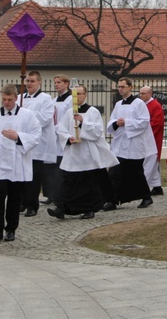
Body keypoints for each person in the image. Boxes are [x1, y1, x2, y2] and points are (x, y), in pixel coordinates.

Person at [48, 85, 119, 220]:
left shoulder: (93, 112)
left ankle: (89, 209)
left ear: (85, 95)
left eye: (79, 94)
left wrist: (82, 122)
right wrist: (68, 138)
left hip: (87, 152)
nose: (77, 97)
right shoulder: (69, 112)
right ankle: (61, 208)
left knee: (87, 183)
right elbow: (61, 129)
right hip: (73, 152)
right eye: (75, 95)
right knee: (68, 180)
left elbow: (98, 131)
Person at [0, 84, 41, 243]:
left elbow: (36, 135)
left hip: (17, 163)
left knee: (15, 198)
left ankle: (11, 229)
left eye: (10, 100)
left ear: (16, 98)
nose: (6, 103)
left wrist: (18, 137)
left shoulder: (27, 115)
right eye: (4, 99)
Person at [105, 77, 155, 210]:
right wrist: (116, 123)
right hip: (120, 143)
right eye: (119, 87)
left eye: (122, 86)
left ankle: (146, 197)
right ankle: (113, 200)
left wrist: (127, 122)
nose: (120, 89)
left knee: (136, 172)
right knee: (115, 171)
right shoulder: (118, 104)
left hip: (134, 143)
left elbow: (144, 121)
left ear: (130, 88)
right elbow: (112, 121)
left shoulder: (139, 103)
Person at [17, 71, 56, 217]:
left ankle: (32, 205)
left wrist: (26, 117)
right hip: (22, 141)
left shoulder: (45, 98)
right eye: (27, 81)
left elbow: (45, 118)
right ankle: (21, 202)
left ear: (39, 82)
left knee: (34, 176)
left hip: (38, 143)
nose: (29, 83)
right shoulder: (20, 98)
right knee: (21, 174)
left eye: (32, 81)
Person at [47, 74, 72, 205]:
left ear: (66, 84)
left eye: (59, 82)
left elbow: (68, 117)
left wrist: (59, 129)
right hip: (54, 136)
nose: (56, 84)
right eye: (55, 82)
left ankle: (61, 195)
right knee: (53, 168)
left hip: (63, 135)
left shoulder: (70, 100)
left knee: (61, 168)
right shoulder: (54, 99)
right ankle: (52, 194)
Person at [139, 86, 165, 196]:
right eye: (140, 93)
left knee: (149, 162)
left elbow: (157, 123)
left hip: (153, 139)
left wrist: (142, 128)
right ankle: (157, 186)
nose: (140, 96)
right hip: (145, 138)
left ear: (150, 93)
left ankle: (142, 186)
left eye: (143, 93)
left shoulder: (155, 105)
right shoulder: (143, 105)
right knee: (152, 164)